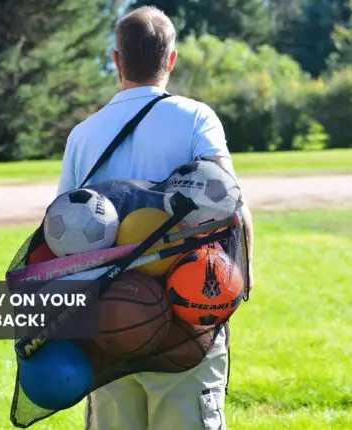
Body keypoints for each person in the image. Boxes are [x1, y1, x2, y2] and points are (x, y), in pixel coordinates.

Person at [57, 6, 254, 430]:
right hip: (185, 319)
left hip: (108, 322)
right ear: (171, 59)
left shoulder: (83, 134)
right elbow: (232, 207)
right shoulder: (196, 118)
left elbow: (63, 240)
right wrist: (240, 286)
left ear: (116, 60)